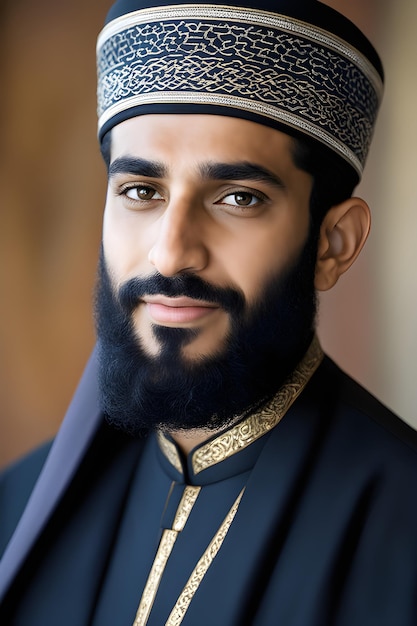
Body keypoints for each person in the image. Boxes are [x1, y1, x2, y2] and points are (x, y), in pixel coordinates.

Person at [1, 0, 417, 624]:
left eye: (238, 197)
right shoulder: (18, 505)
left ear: (334, 243)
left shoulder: (402, 522)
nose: (171, 251)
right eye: (141, 191)